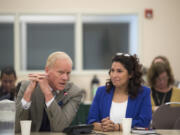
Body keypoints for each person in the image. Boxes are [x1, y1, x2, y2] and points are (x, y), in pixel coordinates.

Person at [15, 51, 83, 132]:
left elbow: (60, 128)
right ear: (47, 71)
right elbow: (16, 128)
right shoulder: (27, 87)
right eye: (60, 72)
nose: (65, 78)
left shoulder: (74, 92)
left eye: (68, 73)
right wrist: (27, 95)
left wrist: (48, 94)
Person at [87, 53, 152, 132]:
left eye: (119, 71)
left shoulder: (143, 93)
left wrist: (117, 127)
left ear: (130, 74)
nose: (114, 75)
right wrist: (104, 126)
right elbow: (91, 121)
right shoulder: (101, 92)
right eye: (112, 70)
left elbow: (144, 122)